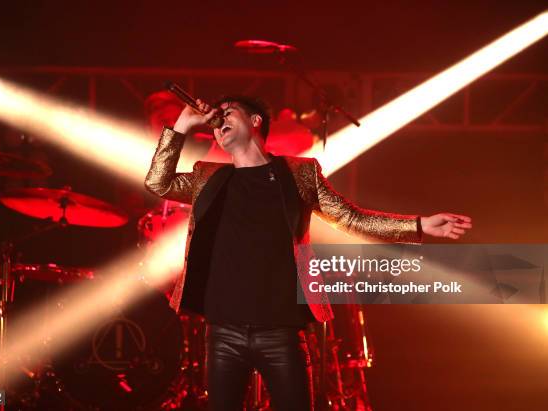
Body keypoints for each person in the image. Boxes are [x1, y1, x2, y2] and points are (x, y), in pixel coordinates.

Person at [144, 95, 472, 410]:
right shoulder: (207, 176)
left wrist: (419, 225)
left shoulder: (300, 173)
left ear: (255, 120)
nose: (219, 119)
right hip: (224, 333)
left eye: (229, 112)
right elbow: (158, 183)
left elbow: (351, 218)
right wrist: (182, 125)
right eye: (217, 117)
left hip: (281, 332)